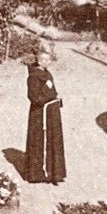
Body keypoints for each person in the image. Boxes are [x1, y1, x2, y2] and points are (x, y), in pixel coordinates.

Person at [23, 47, 66, 184]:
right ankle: (37, 174)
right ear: (39, 61)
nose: (48, 62)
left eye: (49, 60)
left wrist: (56, 97)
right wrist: (49, 97)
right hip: (40, 115)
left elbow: (52, 91)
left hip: (51, 113)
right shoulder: (34, 77)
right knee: (39, 141)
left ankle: (54, 173)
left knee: (54, 141)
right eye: (45, 60)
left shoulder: (47, 74)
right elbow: (34, 97)